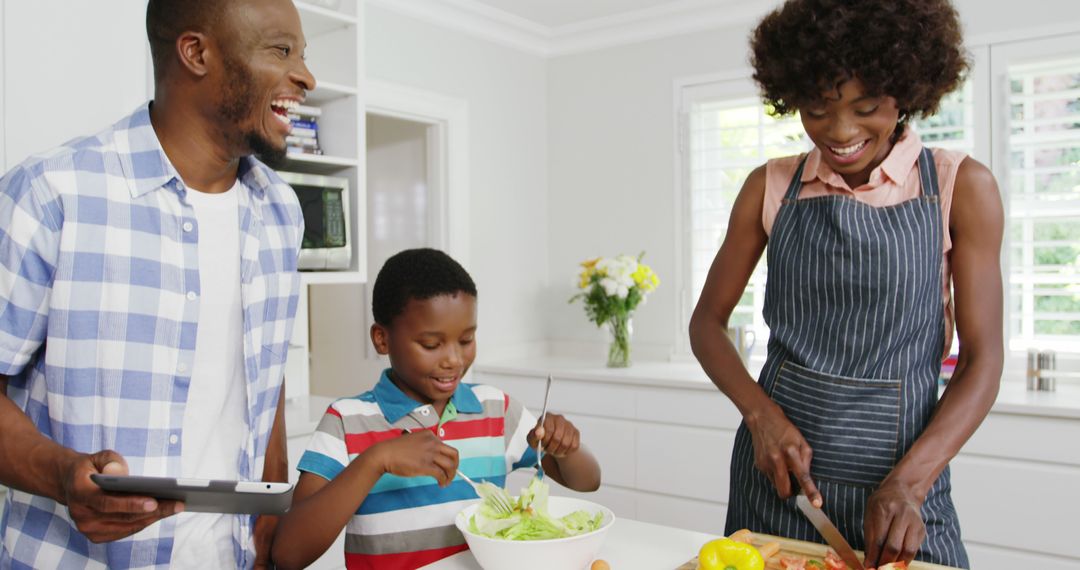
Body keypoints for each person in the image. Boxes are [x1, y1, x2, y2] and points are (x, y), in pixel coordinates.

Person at [688, 0, 1004, 568]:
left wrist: (910, 483)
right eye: (818, 107)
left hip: (905, 492)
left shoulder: (961, 186)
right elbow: (706, 324)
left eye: (867, 107)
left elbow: (984, 359)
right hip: (779, 488)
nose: (841, 132)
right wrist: (760, 418)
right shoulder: (770, 187)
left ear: (907, 92)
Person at [0, 0, 315, 567]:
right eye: (281, 50)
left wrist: (272, 510)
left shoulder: (281, 212)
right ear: (196, 52)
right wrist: (61, 475)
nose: (306, 76)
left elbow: (264, 376)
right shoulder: (51, 194)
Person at [271, 248, 602, 569]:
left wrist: (565, 446)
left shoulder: (494, 409)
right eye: (431, 345)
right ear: (382, 339)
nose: (454, 360)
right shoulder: (347, 422)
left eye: (466, 340)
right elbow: (288, 553)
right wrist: (376, 461)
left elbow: (587, 480)